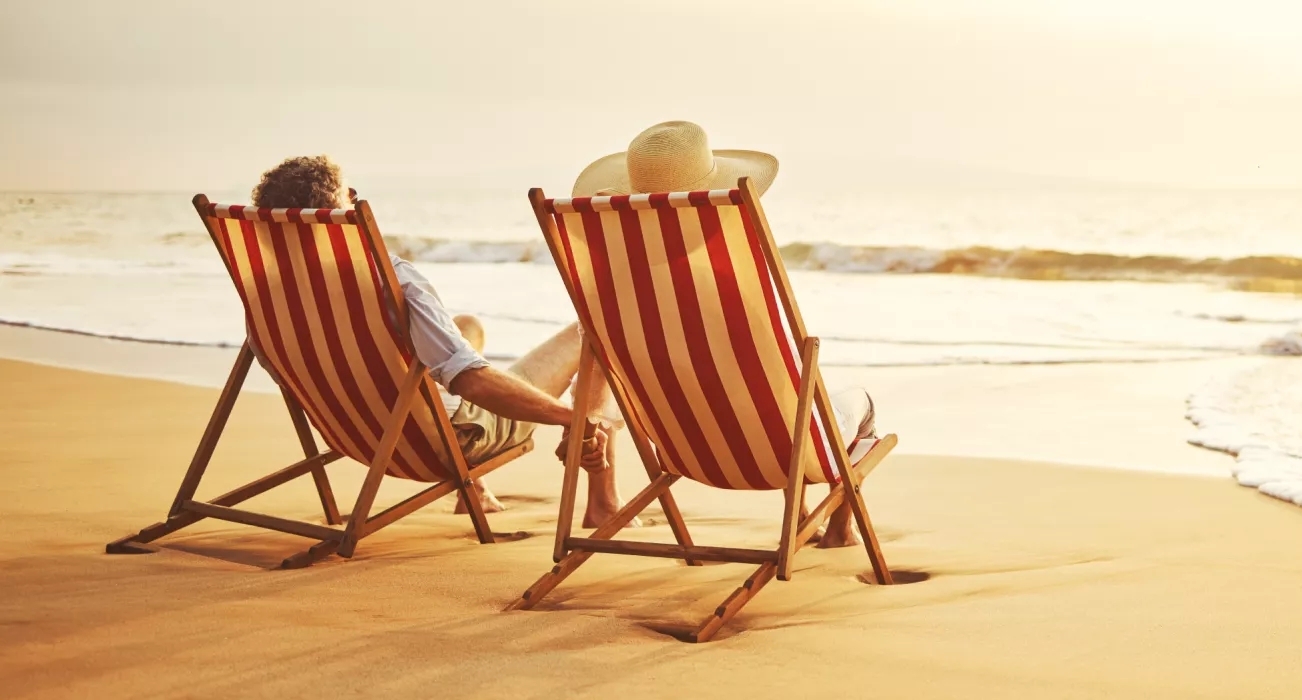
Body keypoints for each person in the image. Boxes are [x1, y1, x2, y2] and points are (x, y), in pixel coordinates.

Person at [249, 155, 626, 526]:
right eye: (349, 194)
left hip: (361, 437)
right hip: (445, 443)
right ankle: (603, 503)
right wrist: (573, 420)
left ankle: (474, 491)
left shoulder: (268, 294)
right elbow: (470, 381)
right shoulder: (390, 280)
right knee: (595, 328)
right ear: (338, 210)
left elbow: (276, 367)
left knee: (466, 327)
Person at [572, 121, 879, 548]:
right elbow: (776, 378)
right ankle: (840, 531)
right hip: (781, 457)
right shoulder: (731, 283)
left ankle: (805, 515)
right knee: (850, 402)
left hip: (687, 453)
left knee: (784, 403)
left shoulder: (616, 295)